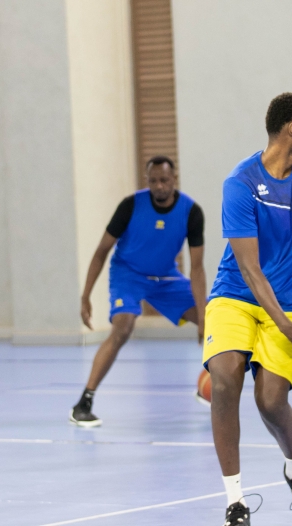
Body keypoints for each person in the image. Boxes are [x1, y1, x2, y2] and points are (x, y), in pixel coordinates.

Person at [203, 92, 292, 526]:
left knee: (270, 401)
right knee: (225, 379)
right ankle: (235, 501)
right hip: (235, 296)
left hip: (289, 302)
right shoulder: (240, 183)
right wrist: (288, 328)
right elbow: (248, 268)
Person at [70, 156, 207, 427]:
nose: (159, 186)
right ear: (147, 181)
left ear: (174, 180)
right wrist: (85, 296)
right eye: (153, 180)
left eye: (164, 180)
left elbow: (197, 269)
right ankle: (84, 401)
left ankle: (212, 386)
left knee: (215, 320)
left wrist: (203, 318)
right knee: (122, 327)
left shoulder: (191, 212)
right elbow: (101, 252)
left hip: (166, 278)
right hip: (128, 274)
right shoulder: (130, 206)